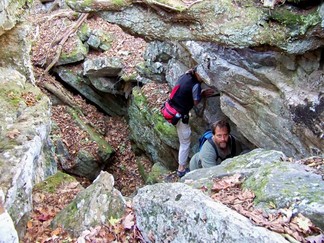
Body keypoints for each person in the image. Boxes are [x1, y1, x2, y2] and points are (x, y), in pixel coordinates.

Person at [166, 65, 215, 177]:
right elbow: (196, 101)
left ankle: (181, 167)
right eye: (202, 76)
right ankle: (181, 169)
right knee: (185, 142)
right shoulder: (196, 85)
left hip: (171, 107)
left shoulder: (185, 75)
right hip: (180, 115)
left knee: (183, 140)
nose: (203, 78)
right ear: (197, 73)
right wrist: (201, 93)